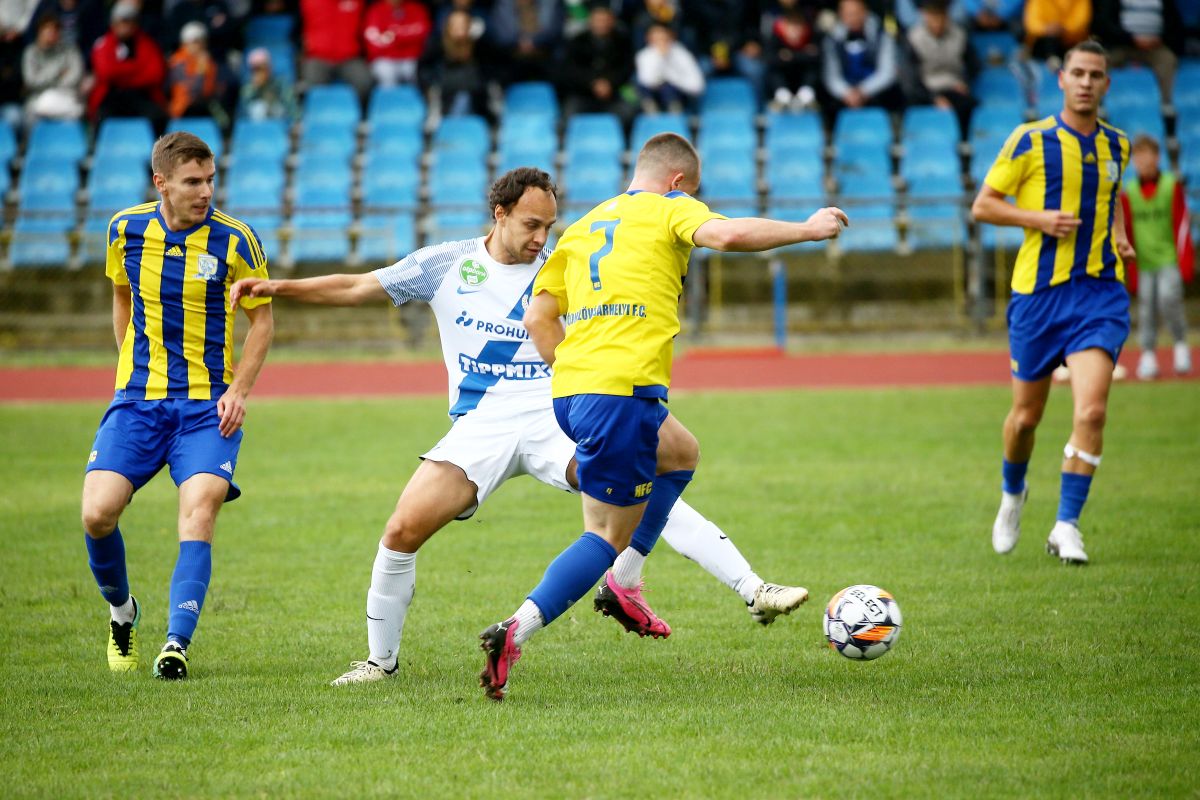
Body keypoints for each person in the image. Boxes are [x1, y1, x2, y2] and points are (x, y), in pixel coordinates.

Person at [228, 167, 813, 687]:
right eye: (532, 225)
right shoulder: (446, 264)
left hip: (554, 412)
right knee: (401, 531)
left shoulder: (564, 268)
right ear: (499, 213)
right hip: (479, 425)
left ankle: (750, 586)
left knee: (633, 478)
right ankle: (379, 664)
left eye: (549, 227)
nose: (541, 238)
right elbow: (361, 286)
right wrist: (282, 287)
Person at [480, 135, 848, 701]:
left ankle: (624, 584)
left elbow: (537, 317)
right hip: (621, 394)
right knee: (604, 535)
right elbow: (726, 234)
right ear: (679, 183)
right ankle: (516, 630)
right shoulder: (670, 207)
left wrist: (575, 374)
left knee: (681, 452)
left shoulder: (582, 227)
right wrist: (806, 229)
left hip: (575, 393)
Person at [82, 131, 274, 680]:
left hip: (207, 409)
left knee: (200, 511)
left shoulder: (236, 240)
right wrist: (128, 372)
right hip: (138, 403)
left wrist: (238, 391)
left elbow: (263, 321)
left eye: (211, 179)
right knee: (97, 514)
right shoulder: (125, 229)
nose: (205, 191)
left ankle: (175, 644)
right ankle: (123, 614)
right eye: (193, 181)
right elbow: (123, 297)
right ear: (161, 182)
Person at [972, 41, 1134, 566]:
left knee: (1091, 409)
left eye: (1097, 74)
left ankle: (1066, 525)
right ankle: (1012, 494)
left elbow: (1108, 203)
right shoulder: (1030, 141)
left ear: (1106, 84)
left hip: (1099, 293)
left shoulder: (1118, 147)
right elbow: (984, 206)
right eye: (1078, 73)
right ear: (1061, 80)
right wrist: (1039, 219)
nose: (1087, 82)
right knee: (1025, 418)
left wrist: (1119, 234)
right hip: (1038, 297)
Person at [1119, 134, 1194, 380]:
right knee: (1146, 309)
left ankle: (1181, 345)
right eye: (1138, 157)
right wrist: (1129, 267)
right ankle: (1148, 354)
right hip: (1143, 262)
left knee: (1169, 299)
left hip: (1168, 258)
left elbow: (1182, 224)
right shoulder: (1129, 193)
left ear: (1157, 157)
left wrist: (1185, 262)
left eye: (1147, 155)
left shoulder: (1171, 186)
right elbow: (1126, 231)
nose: (1143, 161)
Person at [819, 0, 904, 124]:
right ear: (841, 15)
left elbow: (887, 72)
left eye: (856, 13)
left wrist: (863, 91)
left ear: (865, 12)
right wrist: (847, 93)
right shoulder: (832, 40)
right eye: (848, 14)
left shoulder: (882, 35)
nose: (853, 18)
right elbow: (831, 75)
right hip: (845, 97)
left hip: (876, 94)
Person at [87, 1, 166, 130]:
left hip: (141, 95)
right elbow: (106, 73)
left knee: (157, 117)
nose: (127, 26)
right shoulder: (103, 43)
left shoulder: (147, 44)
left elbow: (155, 74)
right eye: (123, 21)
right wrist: (136, 68)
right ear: (114, 23)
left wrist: (121, 73)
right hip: (111, 95)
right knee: (101, 117)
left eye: (131, 21)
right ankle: (98, 148)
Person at [905, 0, 978, 137]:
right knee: (911, 102)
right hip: (925, 90)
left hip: (953, 86)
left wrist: (965, 83)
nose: (937, 22)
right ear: (925, 16)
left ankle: (963, 143)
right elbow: (911, 79)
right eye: (933, 17)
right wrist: (933, 98)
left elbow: (973, 66)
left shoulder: (960, 35)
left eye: (940, 16)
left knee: (969, 105)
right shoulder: (913, 38)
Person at [21, 12, 84, 125]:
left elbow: (75, 77)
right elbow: (31, 81)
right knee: (35, 110)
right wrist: (58, 73)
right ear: (39, 32)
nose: (52, 34)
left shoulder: (70, 51)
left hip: (65, 96)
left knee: (75, 112)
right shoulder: (30, 53)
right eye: (48, 30)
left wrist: (48, 82)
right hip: (37, 100)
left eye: (55, 30)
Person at [166, 21, 232, 129]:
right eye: (195, 42)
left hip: (205, 103)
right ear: (185, 43)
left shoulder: (208, 61)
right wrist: (200, 71)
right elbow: (194, 91)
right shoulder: (178, 62)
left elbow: (213, 88)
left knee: (224, 118)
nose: (200, 45)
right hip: (184, 106)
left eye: (202, 41)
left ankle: (226, 140)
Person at [635, 22, 704, 113]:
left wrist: (671, 79)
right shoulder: (643, 55)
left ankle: (676, 116)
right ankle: (652, 117)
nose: (660, 40)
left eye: (662, 37)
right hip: (653, 96)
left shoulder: (682, 54)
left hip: (681, 95)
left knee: (668, 89)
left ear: (670, 36)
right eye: (656, 37)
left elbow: (697, 86)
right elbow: (646, 81)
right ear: (648, 38)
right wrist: (661, 57)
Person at [363, 0, 433, 87]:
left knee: (419, 71)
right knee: (385, 72)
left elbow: (423, 34)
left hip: (412, 58)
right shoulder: (376, 10)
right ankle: (389, 99)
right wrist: (407, 35)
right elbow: (373, 44)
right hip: (385, 58)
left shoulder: (417, 9)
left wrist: (394, 36)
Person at [237, 46, 297, 122]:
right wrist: (255, 87)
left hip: (279, 120)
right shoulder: (248, 85)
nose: (258, 73)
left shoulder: (280, 82)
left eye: (261, 68)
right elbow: (244, 108)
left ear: (269, 67)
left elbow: (291, 103)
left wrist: (296, 121)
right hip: (258, 126)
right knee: (258, 109)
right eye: (255, 69)